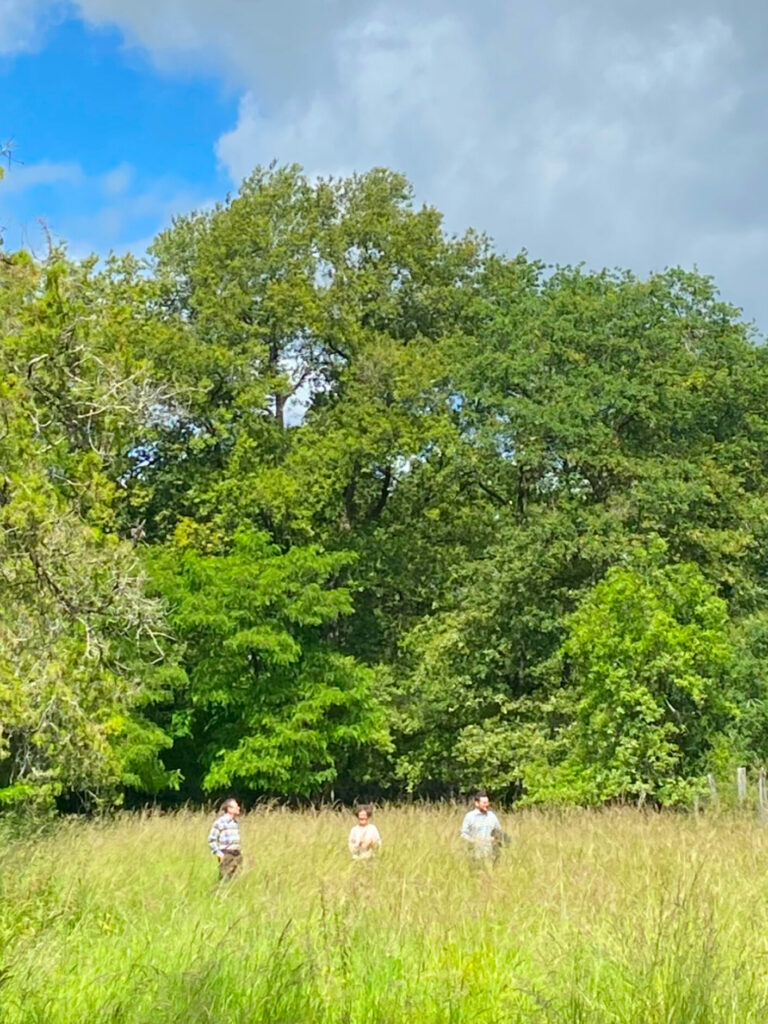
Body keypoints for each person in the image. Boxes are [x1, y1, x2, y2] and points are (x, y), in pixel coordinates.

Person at [460, 790, 505, 864]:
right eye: (484, 803)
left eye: (487, 802)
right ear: (477, 803)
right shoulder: (469, 816)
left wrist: (495, 839)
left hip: (490, 855)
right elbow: (463, 834)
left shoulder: (492, 816)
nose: (486, 804)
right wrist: (473, 841)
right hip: (475, 855)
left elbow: (498, 832)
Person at [208, 797, 243, 881]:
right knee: (225, 879)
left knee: (236, 880)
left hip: (237, 854)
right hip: (227, 854)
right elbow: (212, 840)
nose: (239, 808)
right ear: (229, 809)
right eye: (236, 806)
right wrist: (220, 854)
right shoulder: (220, 822)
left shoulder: (235, 822)